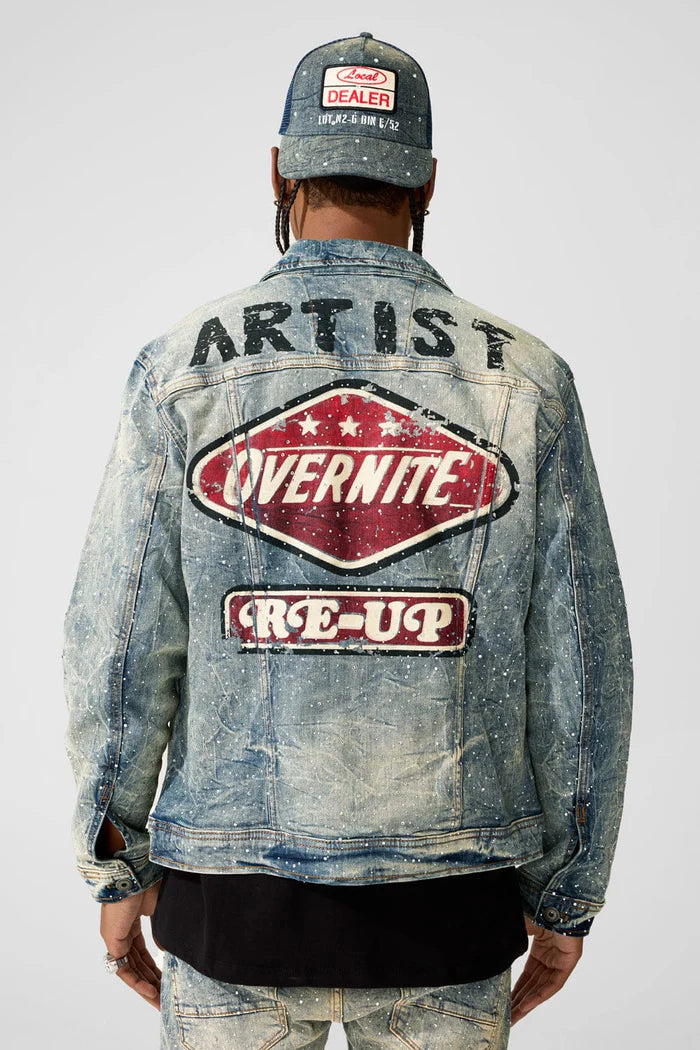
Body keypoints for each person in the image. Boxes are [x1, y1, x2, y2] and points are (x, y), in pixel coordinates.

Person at [62, 31, 634, 1049]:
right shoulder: (527, 379)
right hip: (451, 916)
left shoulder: (183, 367)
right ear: (428, 183)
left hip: (226, 909)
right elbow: (582, 673)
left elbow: (118, 648)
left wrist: (118, 868)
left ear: (278, 171)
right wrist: (567, 897)